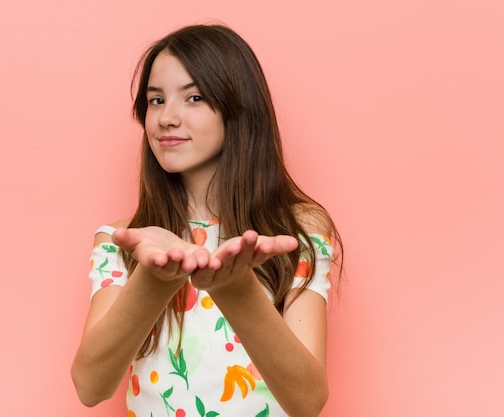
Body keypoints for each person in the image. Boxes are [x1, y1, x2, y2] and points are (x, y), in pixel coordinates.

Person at [71, 24, 342, 417]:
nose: (167, 117)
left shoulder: (298, 230)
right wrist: (154, 279)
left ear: (238, 107)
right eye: (156, 100)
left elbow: (307, 401)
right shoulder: (124, 240)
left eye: (194, 97)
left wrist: (236, 289)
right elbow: (90, 386)